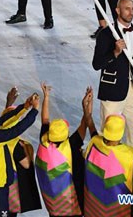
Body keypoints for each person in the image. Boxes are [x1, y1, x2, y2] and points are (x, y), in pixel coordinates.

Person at [92, 0, 133, 152]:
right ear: (118, 11)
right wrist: (115, 52)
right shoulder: (106, 34)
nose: (131, 12)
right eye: (127, 8)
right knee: (108, 135)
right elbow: (96, 64)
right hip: (112, 91)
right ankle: (105, 167)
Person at [35, 84, 95, 217]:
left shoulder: (45, 141)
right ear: (66, 136)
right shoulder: (71, 147)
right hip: (73, 206)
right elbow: (85, 124)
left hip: (54, 206)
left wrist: (46, 97)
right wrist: (87, 105)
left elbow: (45, 119)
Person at [84, 114, 133, 217]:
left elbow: (91, 127)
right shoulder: (128, 153)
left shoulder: (94, 141)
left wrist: (88, 113)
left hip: (93, 206)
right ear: (121, 134)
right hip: (116, 209)